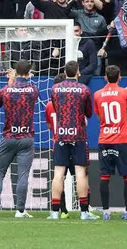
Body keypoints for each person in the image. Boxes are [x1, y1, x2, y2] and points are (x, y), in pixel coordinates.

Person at [0, 60, 39, 217]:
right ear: (28, 73)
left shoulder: (5, 90)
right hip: (26, 137)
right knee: (23, 175)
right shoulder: (33, 89)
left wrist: (11, 82)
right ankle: (20, 210)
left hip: (9, 136)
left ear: (15, 71)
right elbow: (30, 95)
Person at [48, 60, 95, 220]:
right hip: (78, 134)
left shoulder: (55, 89)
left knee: (58, 173)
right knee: (81, 173)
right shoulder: (84, 89)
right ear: (78, 72)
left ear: (65, 72)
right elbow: (89, 113)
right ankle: (84, 212)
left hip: (61, 134)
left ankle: (55, 212)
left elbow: (56, 108)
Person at [92, 64, 127, 220]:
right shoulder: (124, 92)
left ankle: (106, 212)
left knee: (105, 176)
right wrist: (124, 110)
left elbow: (100, 117)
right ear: (120, 77)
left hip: (104, 139)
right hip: (121, 140)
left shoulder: (97, 94)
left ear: (105, 77)